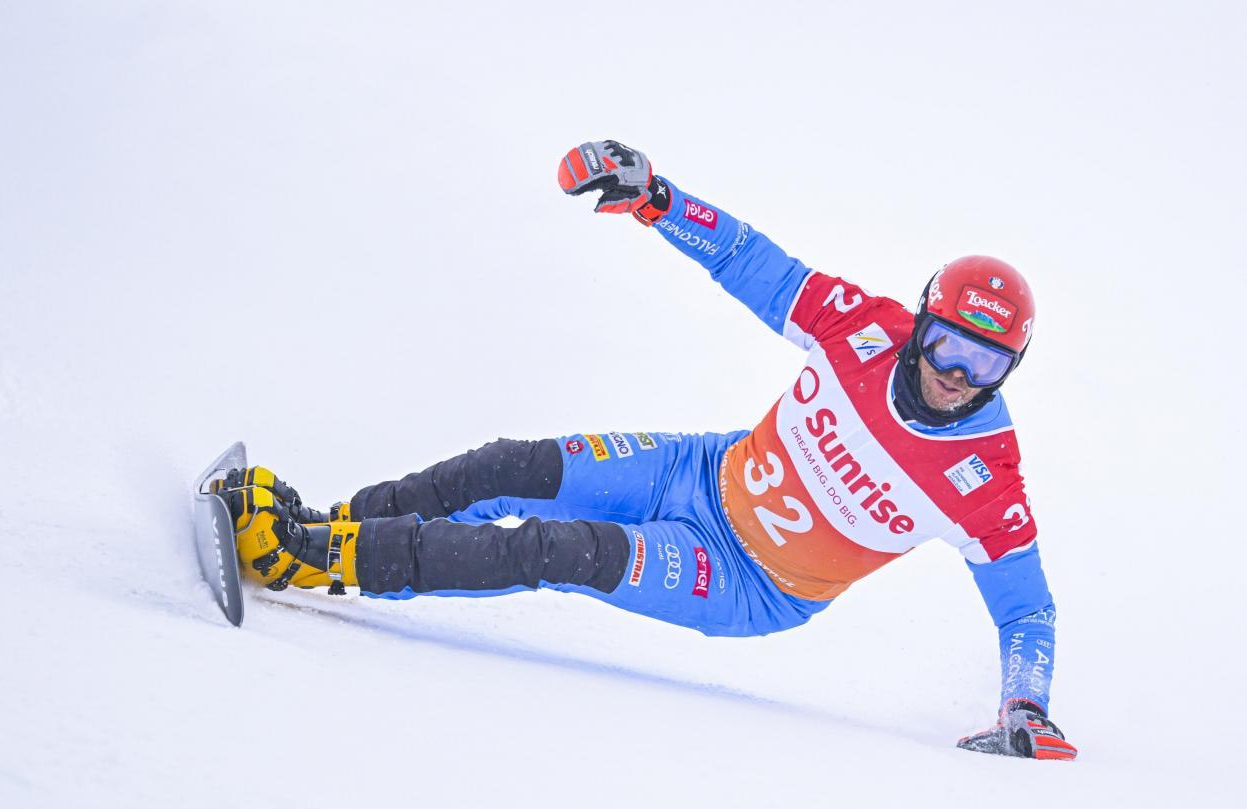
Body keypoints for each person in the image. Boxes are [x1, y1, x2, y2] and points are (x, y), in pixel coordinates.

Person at [221, 140, 1077, 761]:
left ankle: (312, 563)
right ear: (922, 321)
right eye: (948, 346)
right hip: (698, 469)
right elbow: (754, 264)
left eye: (987, 364)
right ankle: (328, 526)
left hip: (747, 580)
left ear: (1012, 368)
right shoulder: (865, 329)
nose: (957, 376)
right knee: (510, 466)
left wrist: (1025, 707)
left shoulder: (983, 478)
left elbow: (1026, 610)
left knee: (562, 551)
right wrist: (655, 197)